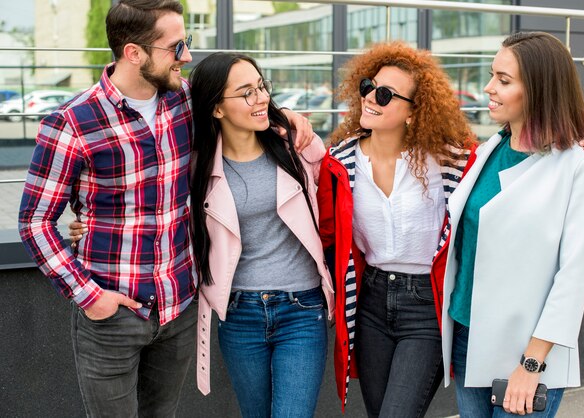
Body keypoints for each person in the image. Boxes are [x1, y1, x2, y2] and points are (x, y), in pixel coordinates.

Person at [19, 1, 312, 416]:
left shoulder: (184, 102)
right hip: (111, 315)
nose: (187, 57)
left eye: (186, 42)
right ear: (134, 53)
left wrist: (290, 117)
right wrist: (89, 295)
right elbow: (35, 221)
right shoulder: (72, 123)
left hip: (178, 308)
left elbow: (240, 107)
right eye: (175, 47)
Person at [440, 31, 584, 417]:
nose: (489, 88)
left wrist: (532, 365)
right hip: (467, 335)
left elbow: (572, 277)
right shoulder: (487, 150)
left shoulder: (575, 166)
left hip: (528, 353)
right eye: (493, 75)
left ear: (540, 89)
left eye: (504, 80)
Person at [317, 41, 479, 417]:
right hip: (371, 302)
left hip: (425, 307)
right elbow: (327, 232)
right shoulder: (339, 161)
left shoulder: (451, 161)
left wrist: (573, 153)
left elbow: (513, 157)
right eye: (368, 86)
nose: (371, 98)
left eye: (386, 94)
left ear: (413, 112)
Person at [188, 52, 334, 418]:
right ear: (217, 108)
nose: (261, 98)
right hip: (239, 313)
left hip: (301, 308)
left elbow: (344, 188)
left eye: (261, 86)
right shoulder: (197, 168)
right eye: (246, 92)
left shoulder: (296, 148)